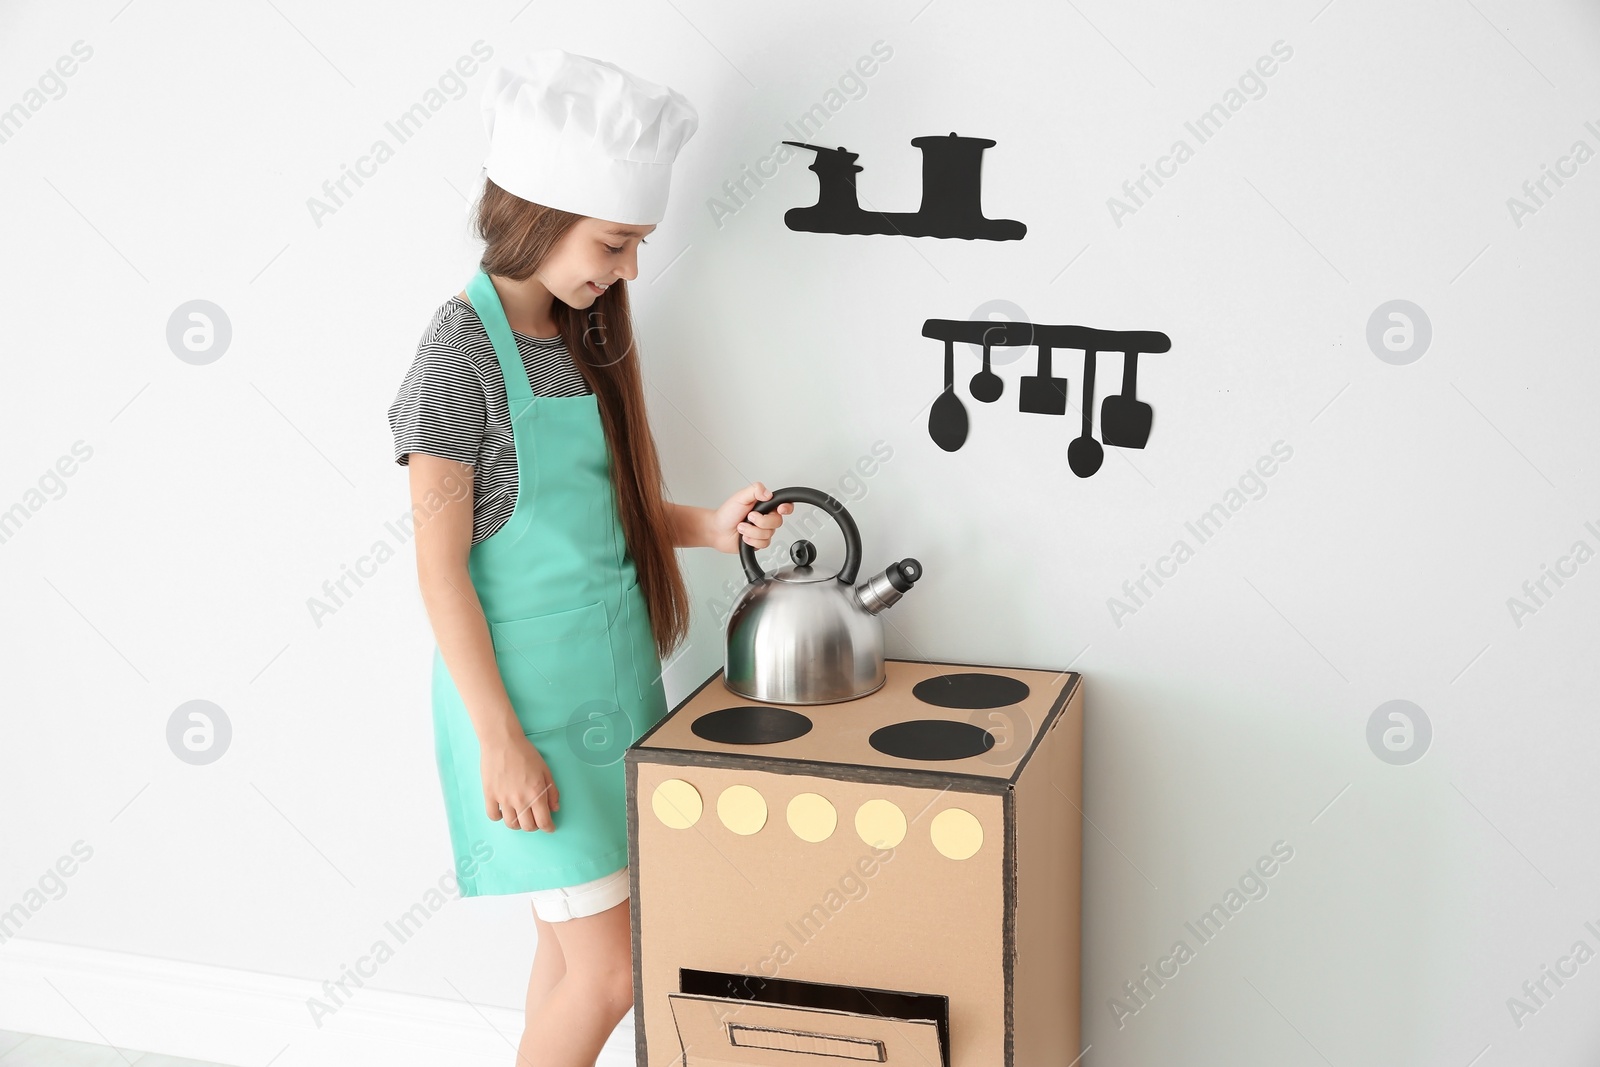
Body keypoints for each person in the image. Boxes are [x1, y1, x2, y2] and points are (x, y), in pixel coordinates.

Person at [386, 49, 792, 1066]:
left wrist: (714, 525)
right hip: (528, 714)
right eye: (616, 241)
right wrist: (499, 740)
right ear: (538, 214)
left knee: (572, 965)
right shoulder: (456, 353)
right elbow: (439, 571)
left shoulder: (575, 337)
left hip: (612, 691)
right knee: (612, 971)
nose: (629, 268)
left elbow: (597, 515)